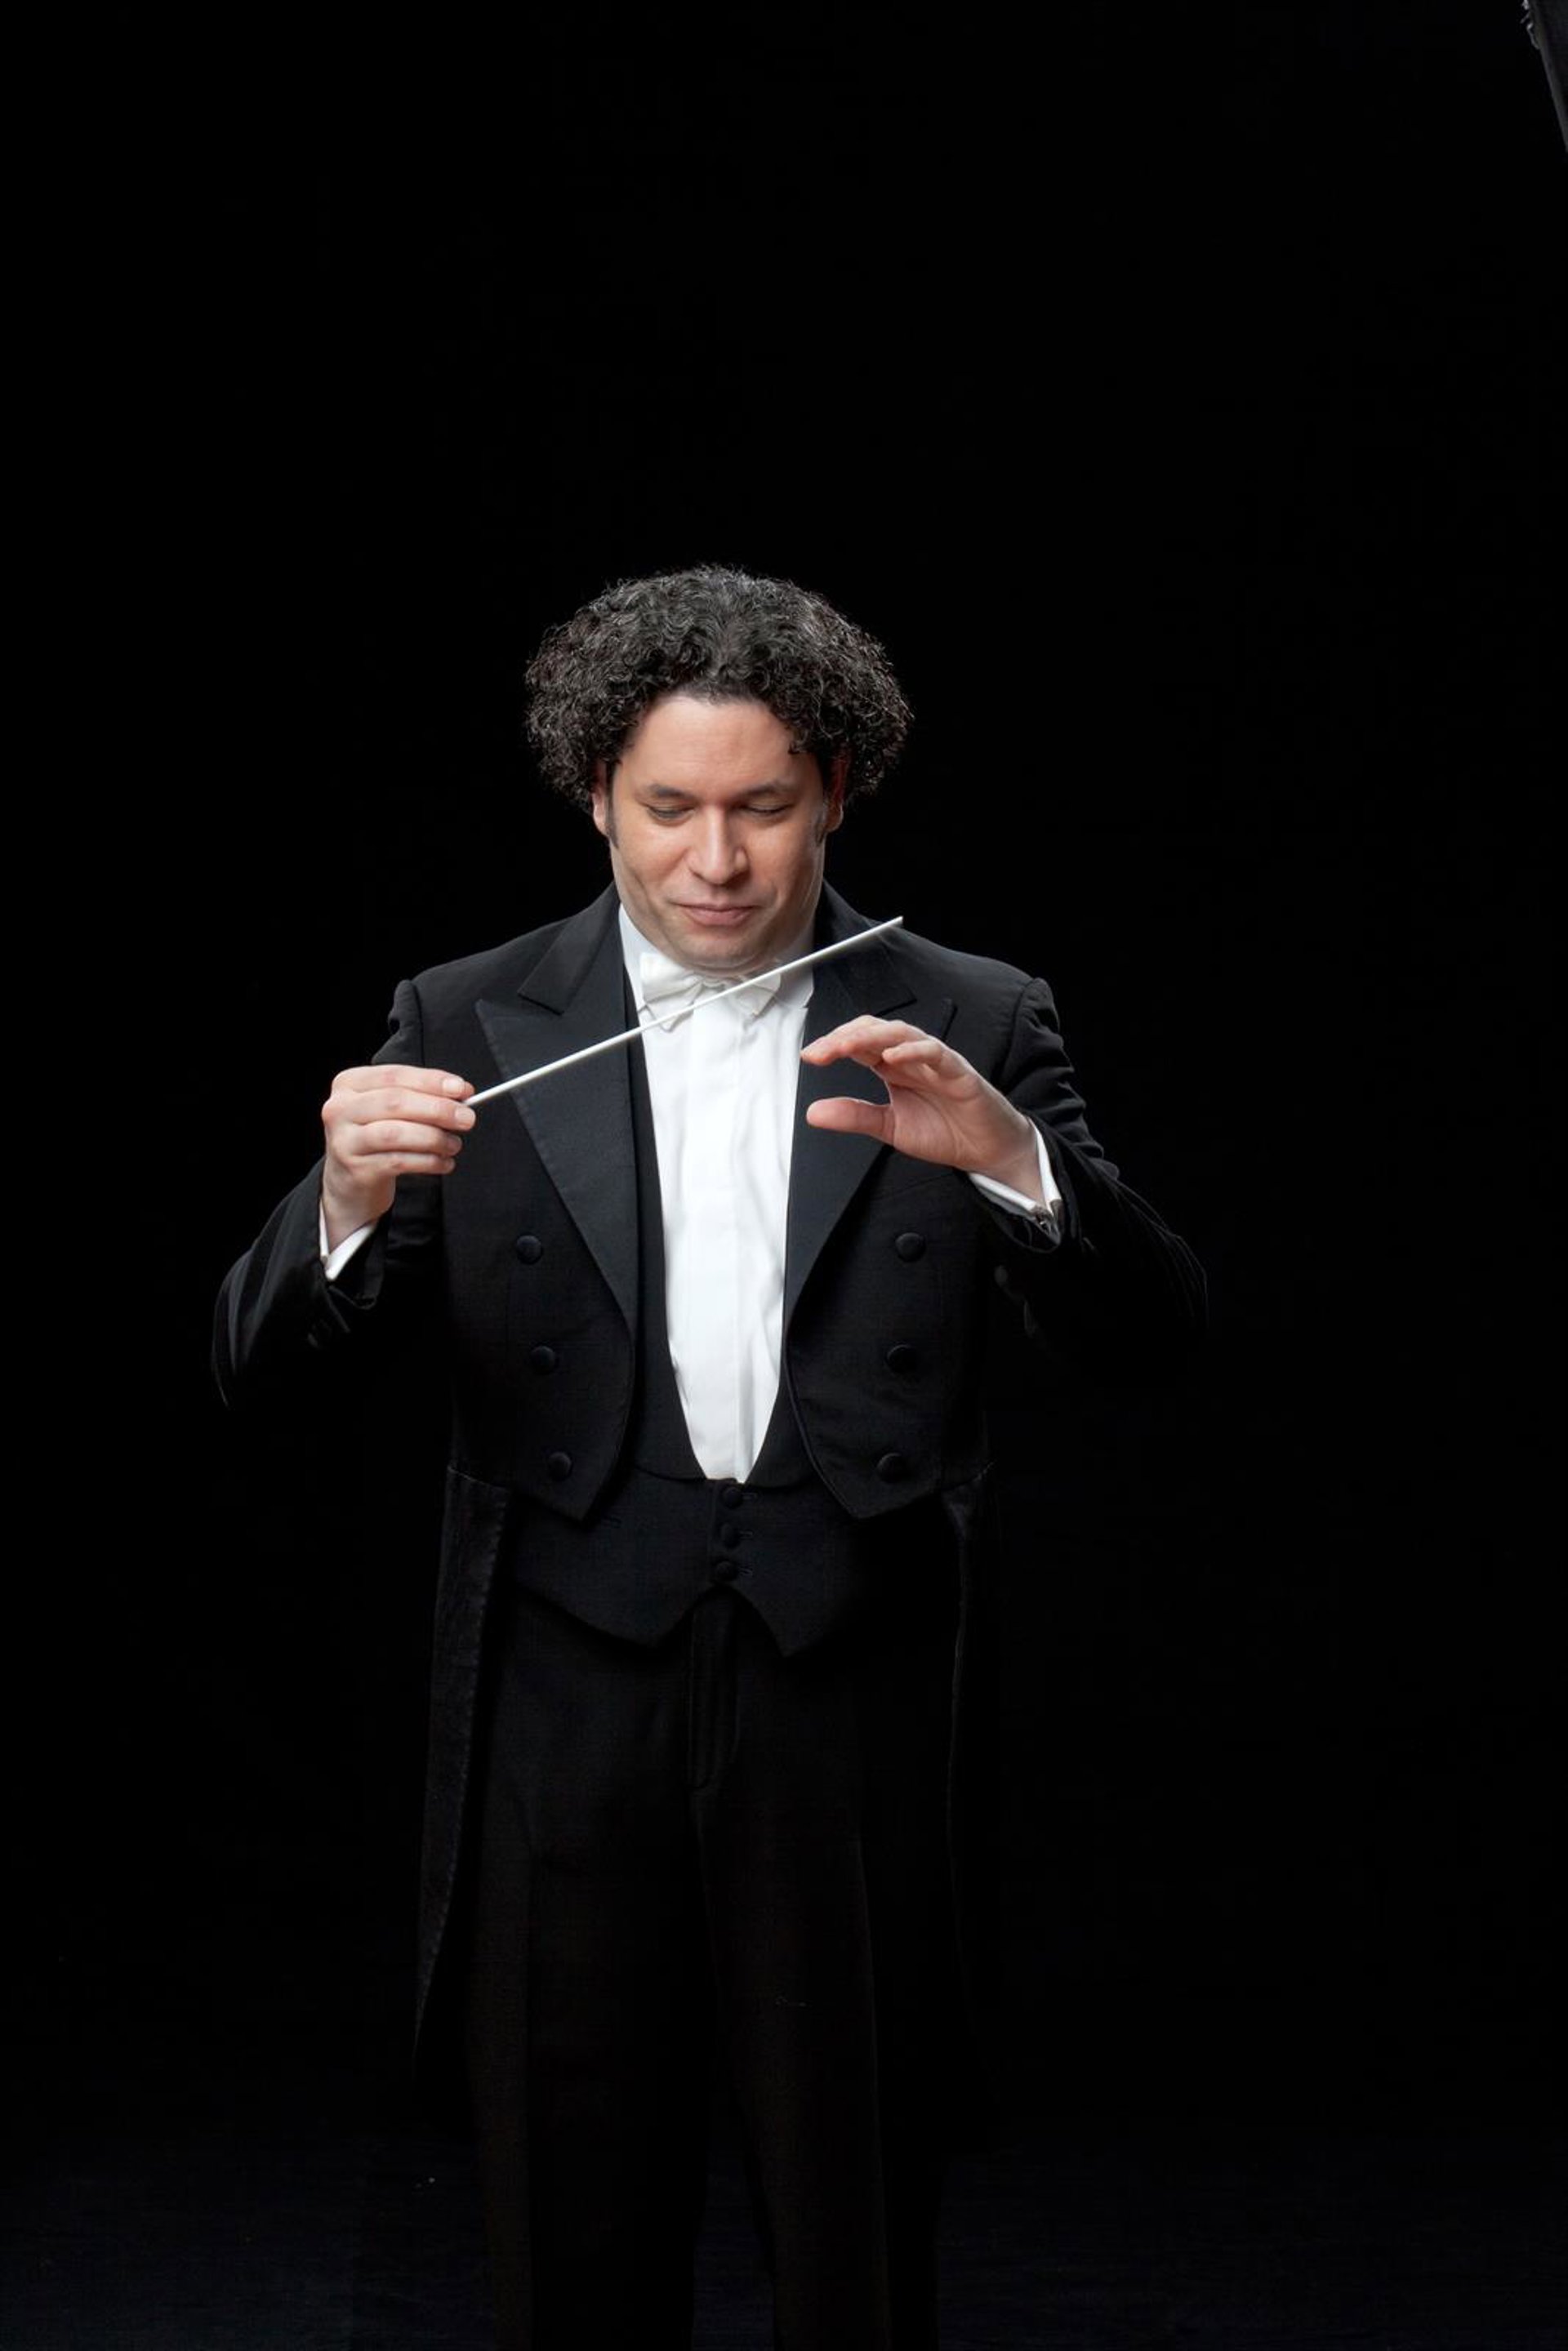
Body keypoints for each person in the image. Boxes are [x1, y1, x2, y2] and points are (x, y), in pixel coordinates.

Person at [215, 565, 1204, 2349]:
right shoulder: (465, 1016)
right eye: (670, 808)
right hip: (565, 1684)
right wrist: (343, 1202)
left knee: (857, 2225)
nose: (718, 861)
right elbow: (254, 1366)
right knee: (570, 2222)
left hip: (853, 1679)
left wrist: (1014, 1164)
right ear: (598, 793)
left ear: (838, 790)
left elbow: (1158, 1342)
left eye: (764, 806)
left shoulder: (977, 1014)